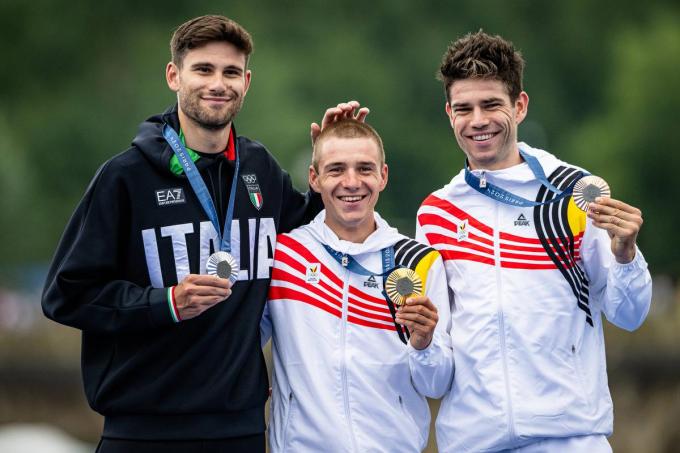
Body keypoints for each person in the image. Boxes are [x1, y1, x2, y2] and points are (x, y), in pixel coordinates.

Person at [40, 15, 362, 453]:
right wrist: (165, 302)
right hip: (143, 431)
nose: (218, 83)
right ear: (174, 76)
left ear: (246, 82)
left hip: (240, 429)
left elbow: (315, 230)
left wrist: (334, 160)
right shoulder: (124, 178)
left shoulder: (260, 170)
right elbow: (66, 294)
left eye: (231, 72)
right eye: (203, 70)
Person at [414, 31, 652, 452]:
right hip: (473, 442)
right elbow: (435, 371)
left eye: (491, 105)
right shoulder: (436, 213)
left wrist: (626, 255)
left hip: (570, 438)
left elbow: (630, 315)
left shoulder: (575, 191)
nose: (478, 121)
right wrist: (421, 342)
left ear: (519, 106)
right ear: (448, 113)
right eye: (464, 108)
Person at [260, 119, 454, 452]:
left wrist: (424, 344)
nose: (352, 183)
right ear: (314, 179)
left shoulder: (419, 261)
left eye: (364, 169)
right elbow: (239, 343)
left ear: (383, 176)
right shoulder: (282, 255)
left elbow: (436, 384)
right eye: (336, 170)